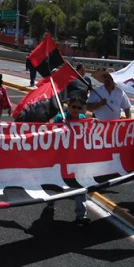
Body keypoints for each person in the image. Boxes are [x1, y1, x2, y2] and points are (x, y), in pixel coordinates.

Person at [48, 96, 91, 225]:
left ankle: (81, 215)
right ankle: (50, 202)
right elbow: (49, 131)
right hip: (60, 158)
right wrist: (60, 126)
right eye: (74, 107)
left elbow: (89, 133)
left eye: (79, 107)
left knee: (80, 186)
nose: (76, 110)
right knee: (56, 183)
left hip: (76, 159)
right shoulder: (60, 117)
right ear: (68, 106)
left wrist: (95, 122)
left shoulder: (83, 119)